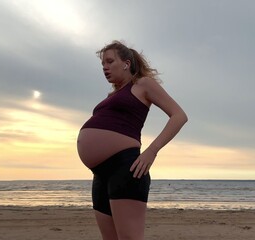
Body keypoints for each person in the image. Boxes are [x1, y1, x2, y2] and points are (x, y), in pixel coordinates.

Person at [77, 40, 187, 240]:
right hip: (101, 174)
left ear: (126, 63)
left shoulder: (142, 84)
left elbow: (179, 116)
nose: (105, 67)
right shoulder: (113, 94)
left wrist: (152, 151)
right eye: (103, 64)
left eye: (110, 61)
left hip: (126, 168)